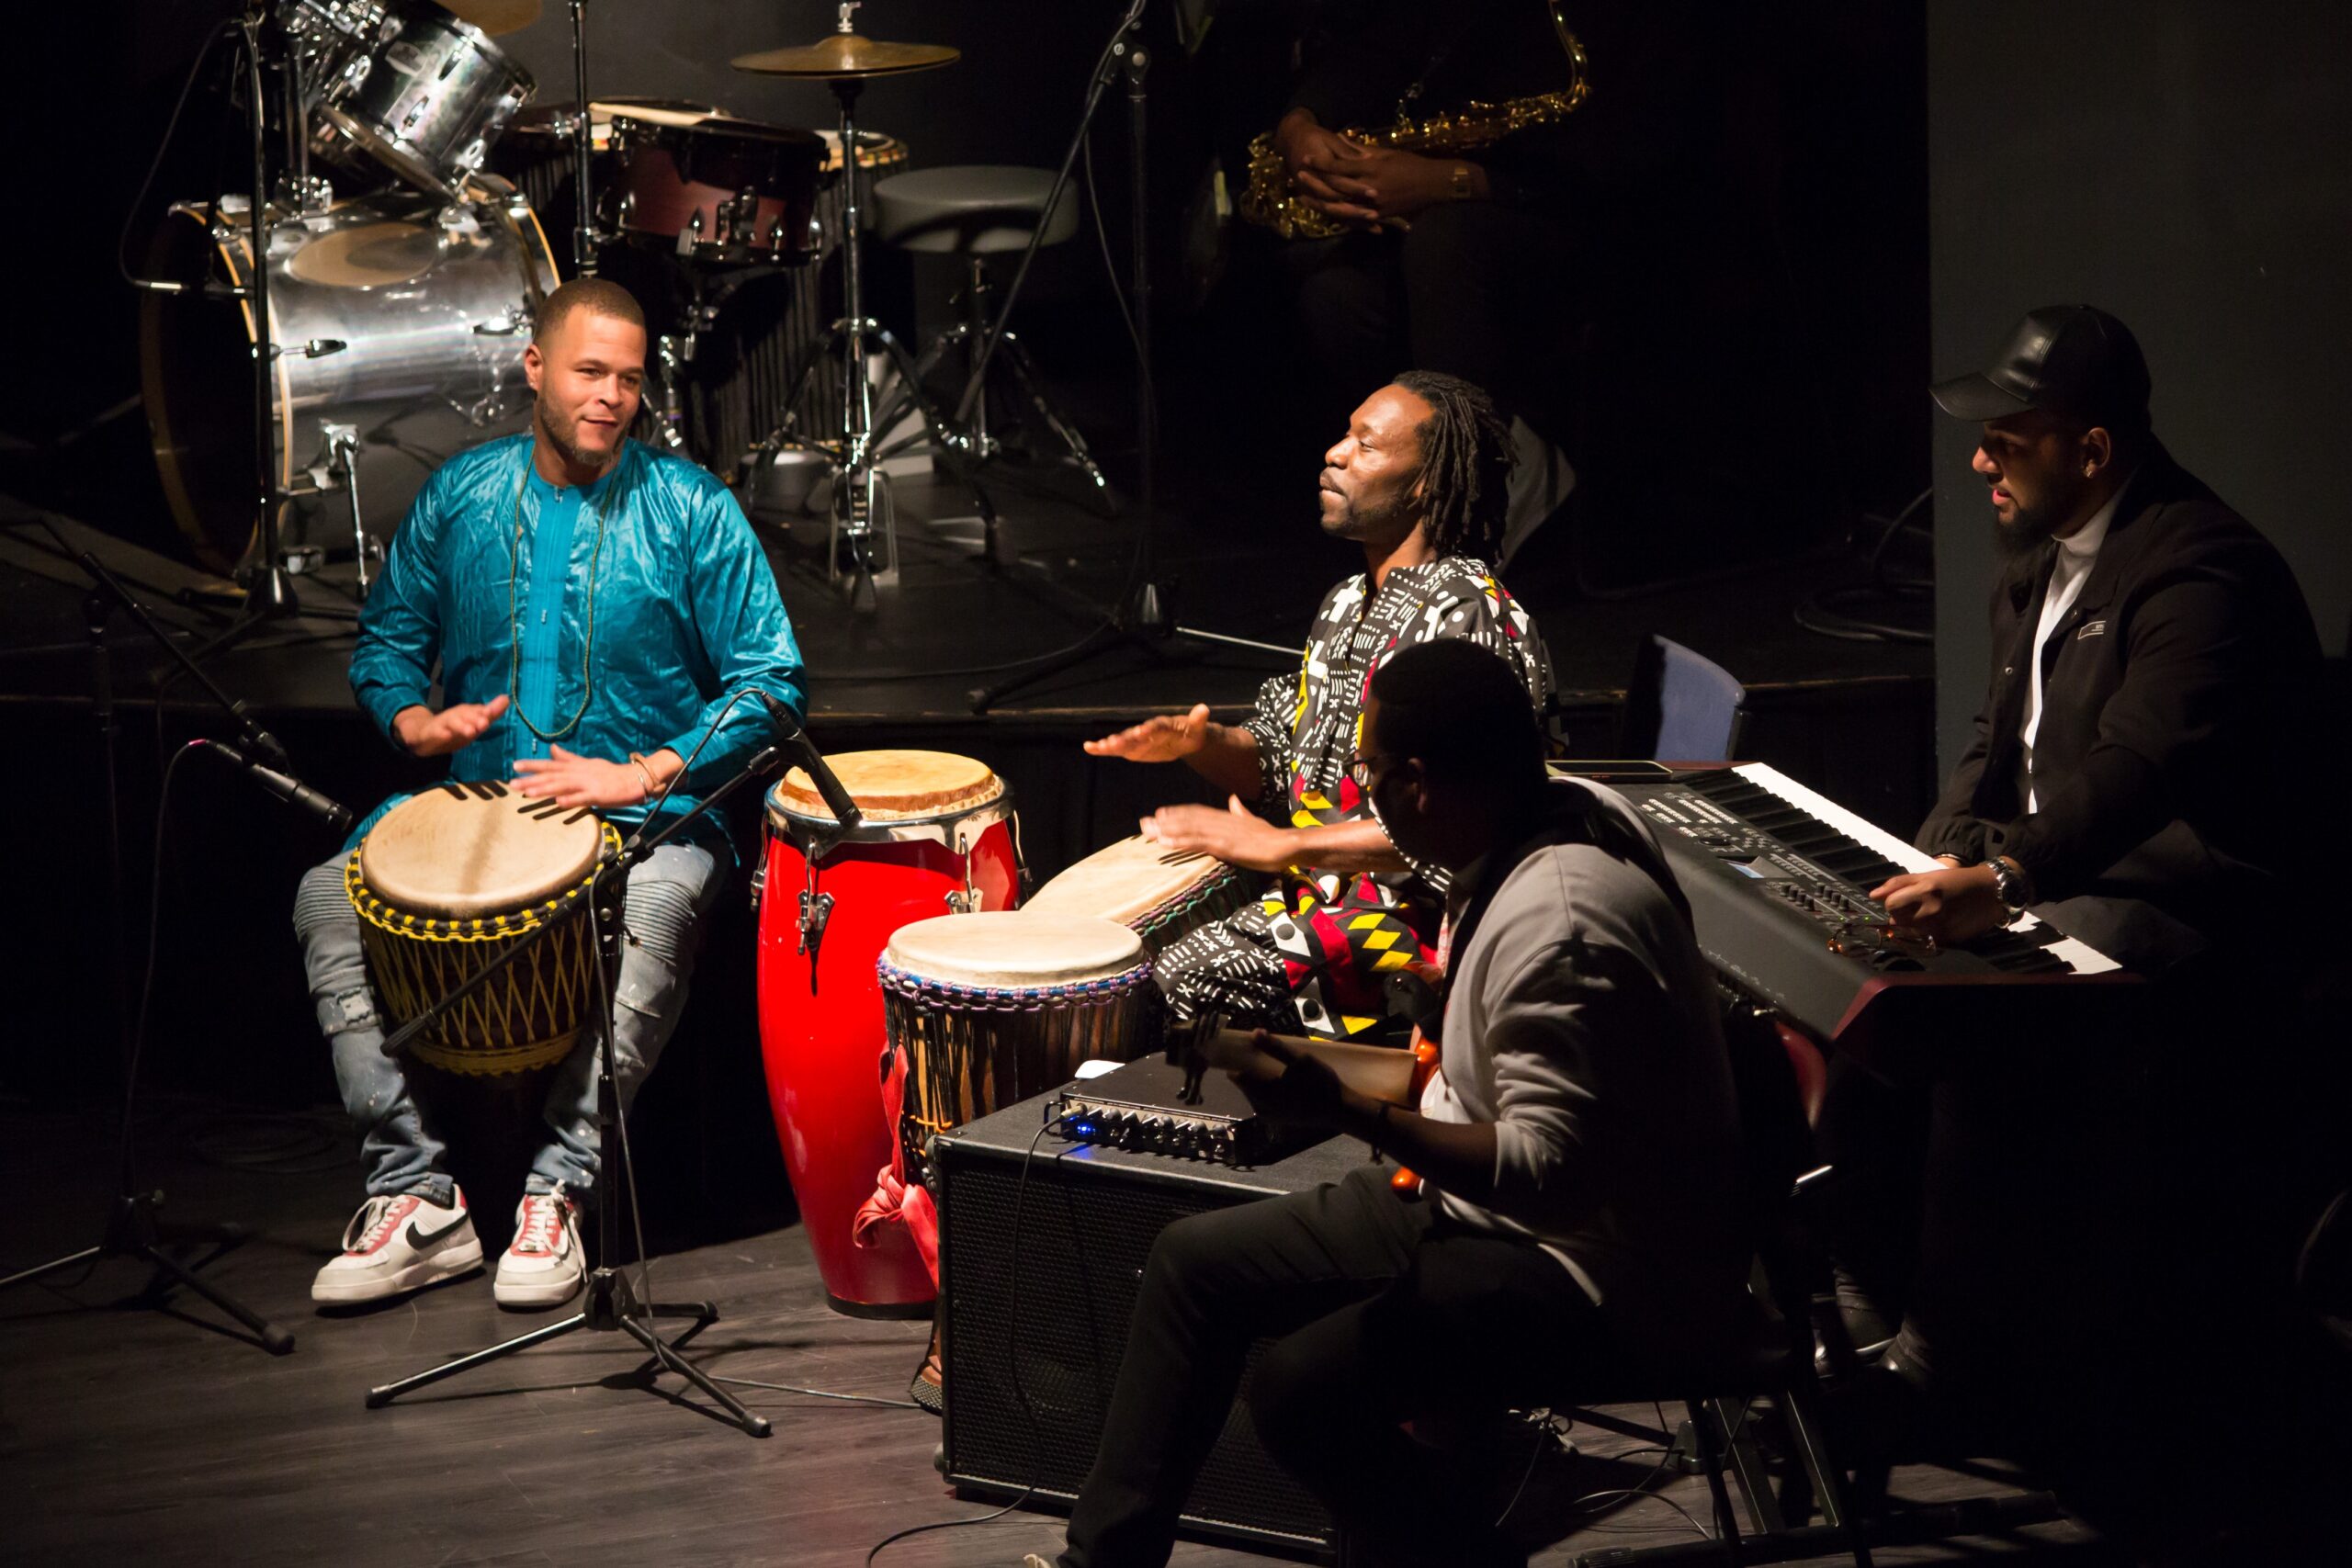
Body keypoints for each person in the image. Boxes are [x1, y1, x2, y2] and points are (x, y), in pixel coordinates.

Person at [1027, 637, 1748, 1568]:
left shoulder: (1561, 920)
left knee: (1300, 1390)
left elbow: (1544, 1177)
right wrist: (1309, 1067)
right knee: (1192, 1266)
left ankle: (1465, 1555)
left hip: (1600, 1270)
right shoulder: (1557, 812)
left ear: (1417, 784)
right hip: (1497, 1209)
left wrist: (1340, 1106)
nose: (1367, 805)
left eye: (1370, 780)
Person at [1814, 307, 2335, 1545]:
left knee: (1987, 1007)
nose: (1982, 463)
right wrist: (1929, 859)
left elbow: (2133, 771)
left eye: (2010, 440)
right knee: (1873, 965)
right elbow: (1995, 752)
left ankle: (1948, 1356)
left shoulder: (2201, 570)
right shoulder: (2037, 564)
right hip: (2076, 881)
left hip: (2198, 904)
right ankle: (1857, 1290)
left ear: (2092, 448)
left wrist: (1999, 886)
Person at [292, 276, 806, 1310]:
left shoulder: (691, 509)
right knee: (323, 897)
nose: (611, 396)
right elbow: (388, 641)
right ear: (535, 368)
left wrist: (646, 770)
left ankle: (558, 1193)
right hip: (485, 806)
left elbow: (771, 679)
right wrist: (408, 720)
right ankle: (416, 1195)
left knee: (660, 898)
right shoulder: (461, 495)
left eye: (628, 378)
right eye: (589, 372)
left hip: (648, 812)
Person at [1084, 370, 1557, 1046]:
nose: (1335, 453)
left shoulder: (1465, 614)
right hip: (1317, 892)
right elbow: (1280, 765)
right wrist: (1201, 742)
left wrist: (1285, 845)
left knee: (1176, 979)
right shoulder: (1343, 602)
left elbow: (1461, 817)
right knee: (1119, 946)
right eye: (1344, 436)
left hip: (1417, 928)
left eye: (1367, 446)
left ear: (1425, 484)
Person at [1259, 2, 1710, 558]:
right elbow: (1382, 43)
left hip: (1613, 223)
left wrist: (1455, 181)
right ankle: (1484, 462)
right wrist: (1302, 120)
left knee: (1445, 243)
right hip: (1470, 220)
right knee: (1338, 294)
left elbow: (1644, 153)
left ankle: (1464, 516)